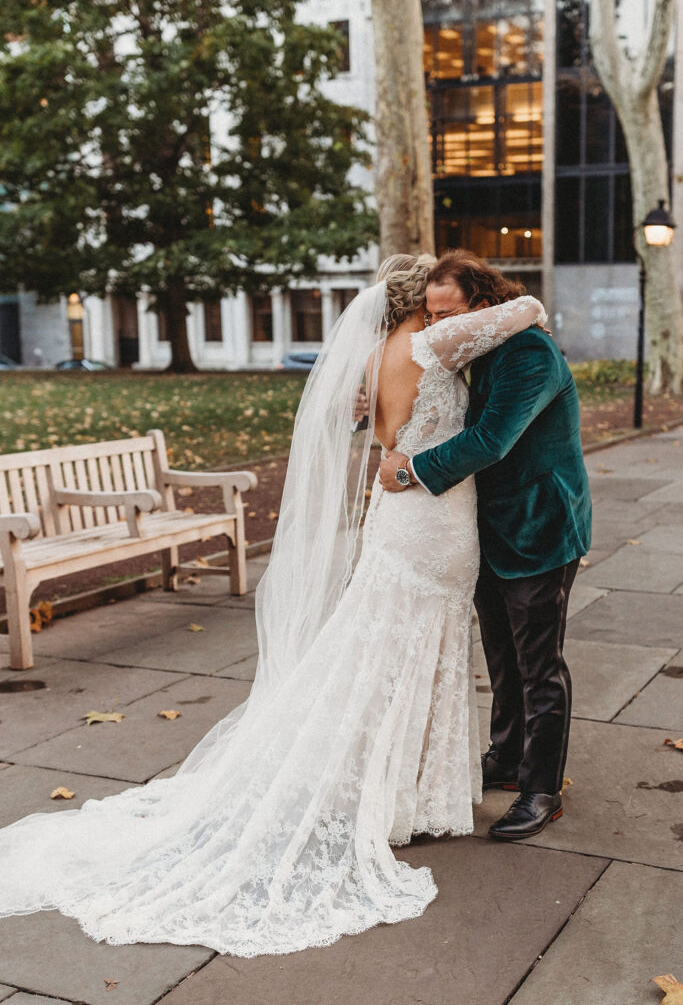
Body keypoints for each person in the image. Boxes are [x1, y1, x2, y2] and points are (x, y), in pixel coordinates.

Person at [0, 255, 546, 957]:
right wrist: (494, 307)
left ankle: (399, 785)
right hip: (431, 516)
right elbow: (524, 311)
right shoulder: (427, 343)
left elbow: (384, 423)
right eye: (436, 301)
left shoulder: (380, 352)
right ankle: (403, 793)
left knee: (385, 641)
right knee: (414, 642)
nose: (447, 312)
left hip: (396, 510)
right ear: (420, 304)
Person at [380, 250, 592, 841]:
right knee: (501, 654)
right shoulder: (473, 348)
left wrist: (408, 471)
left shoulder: (529, 352)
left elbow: (493, 440)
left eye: (449, 312)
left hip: (539, 526)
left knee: (538, 664)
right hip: (485, 526)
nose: (439, 325)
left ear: (482, 303)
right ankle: (505, 756)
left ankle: (541, 788)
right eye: (432, 314)